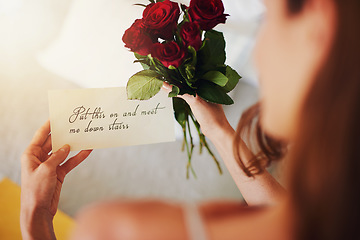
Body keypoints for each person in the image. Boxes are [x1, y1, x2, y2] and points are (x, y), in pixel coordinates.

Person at [20, 0, 360, 239]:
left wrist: (36, 221)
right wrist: (218, 130)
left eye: (267, 20)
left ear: (319, 25)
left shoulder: (114, 229)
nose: (259, 52)